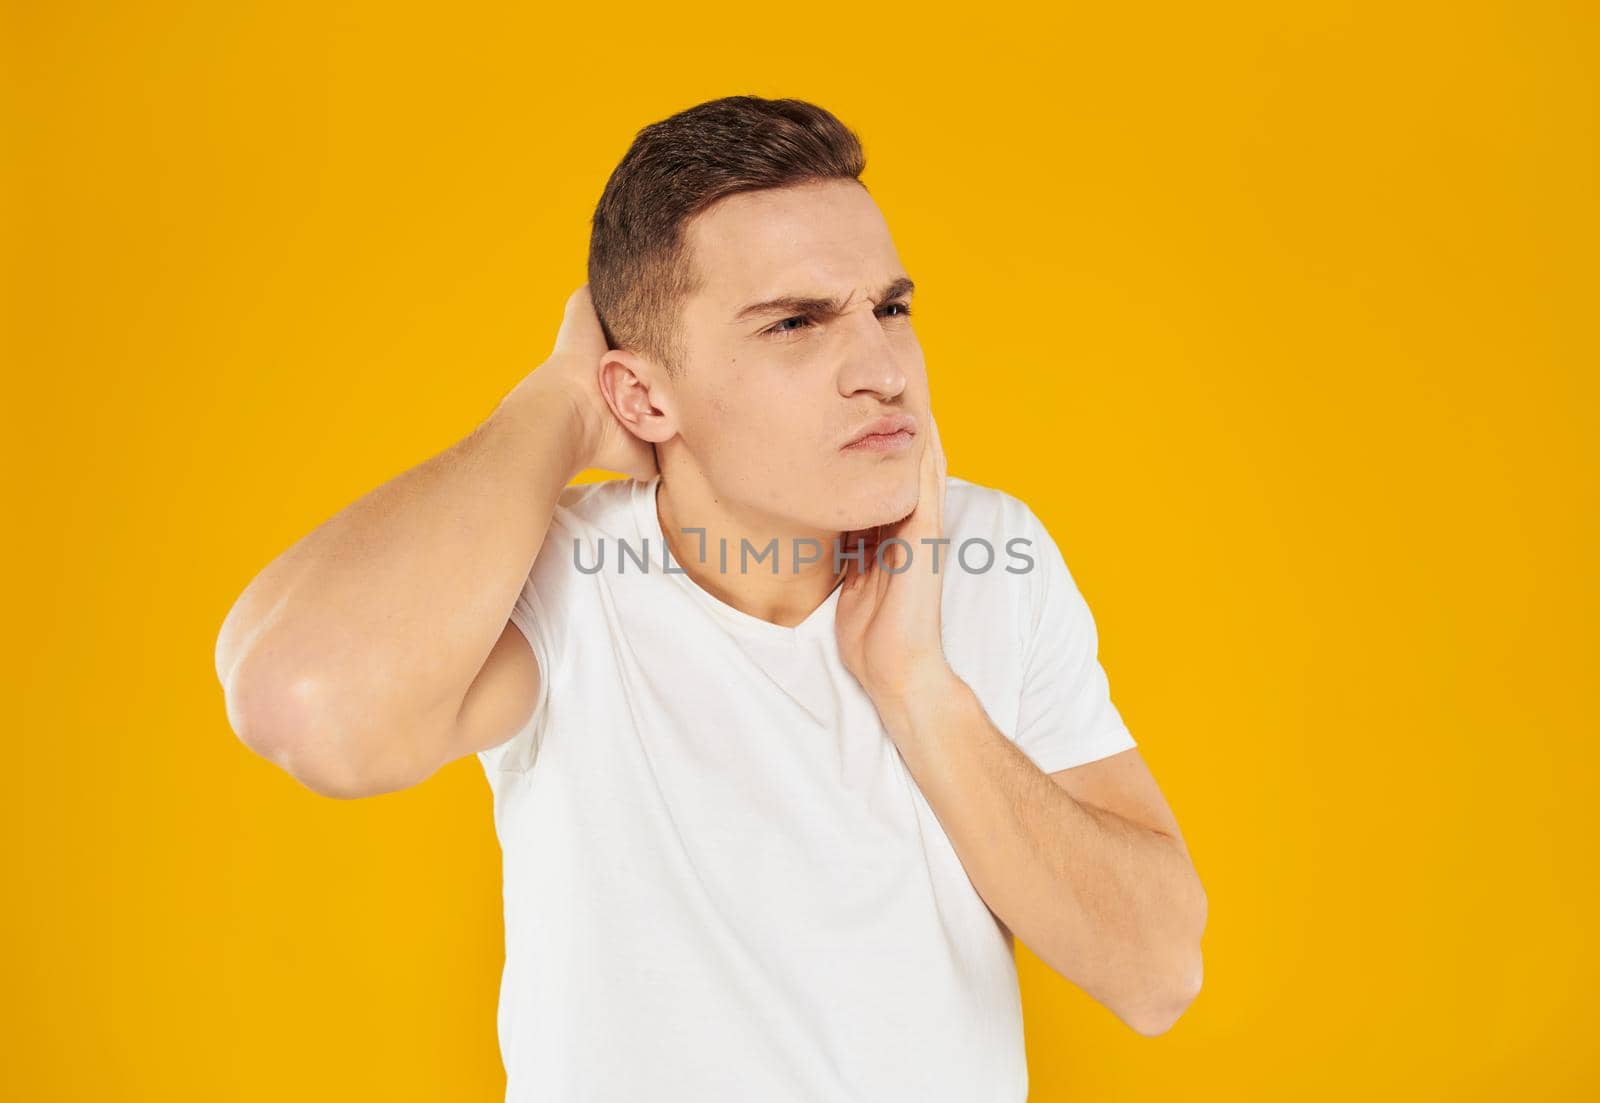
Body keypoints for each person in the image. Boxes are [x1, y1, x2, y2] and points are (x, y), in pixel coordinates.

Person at [215, 95, 1207, 1101]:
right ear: (641, 396)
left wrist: (918, 686)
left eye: (889, 308)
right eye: (794, 322)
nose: (882, 369)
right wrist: (556, 405)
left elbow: (1157, 970)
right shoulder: (560, 577)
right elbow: (306, 705)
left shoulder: (992, 550)